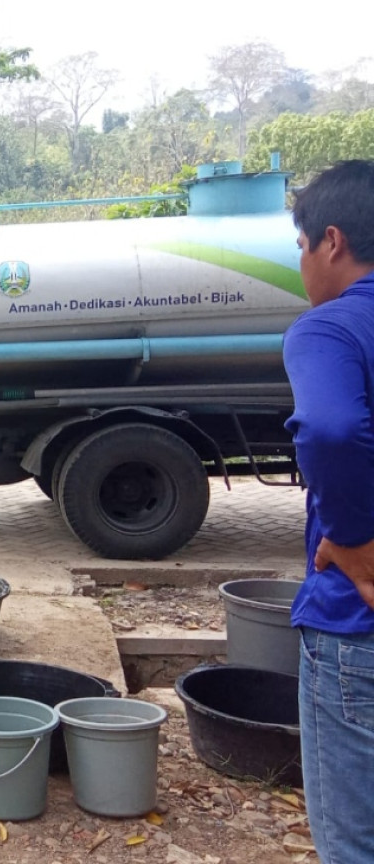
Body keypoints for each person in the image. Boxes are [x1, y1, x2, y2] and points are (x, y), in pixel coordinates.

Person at [281, 159, 374, 864]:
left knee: (353, 842)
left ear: (332, 241)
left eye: (301, 246)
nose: (302, 263)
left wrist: (353, 539)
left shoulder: (329, 329)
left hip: (358, 620)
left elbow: (332, 429)